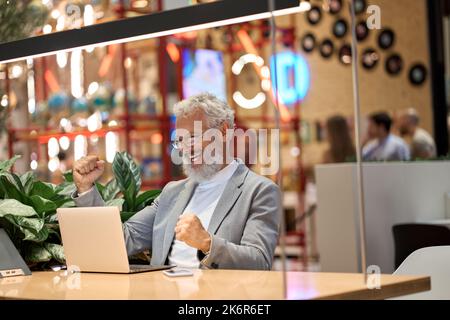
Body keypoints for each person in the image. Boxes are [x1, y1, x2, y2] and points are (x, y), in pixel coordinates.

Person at [71, 93, 281, 270]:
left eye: (194, 136)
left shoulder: (259, 191)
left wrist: (207, 243)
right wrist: (86, 189)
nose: (185, 148)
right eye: (180, 139)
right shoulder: (172, 192)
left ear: (224, 131)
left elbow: (259, 262)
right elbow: (121, 240)